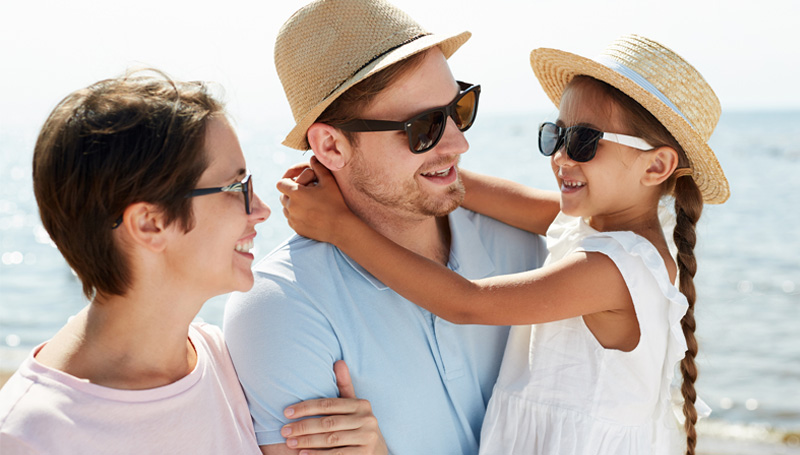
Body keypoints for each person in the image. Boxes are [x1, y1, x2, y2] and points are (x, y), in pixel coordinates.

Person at [277, 35, 729, 455]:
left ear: (656, 167)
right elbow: (458, 185)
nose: (560, 156)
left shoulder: (615, 269)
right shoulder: (590, 224)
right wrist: (361, 164)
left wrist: (339, 226)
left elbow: (466, 303)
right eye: (557, 134)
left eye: (584, 141)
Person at [222, 0, 556, 453]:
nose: (460, 142)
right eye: (424, 126)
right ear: (331, 147)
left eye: (459, 109)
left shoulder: (531, 249)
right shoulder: (281, 308)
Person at [0, 71, 271, 454]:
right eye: (236, 188)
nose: (261, 210)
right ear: (150, 223)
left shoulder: (224, 360)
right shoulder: (29, 437)